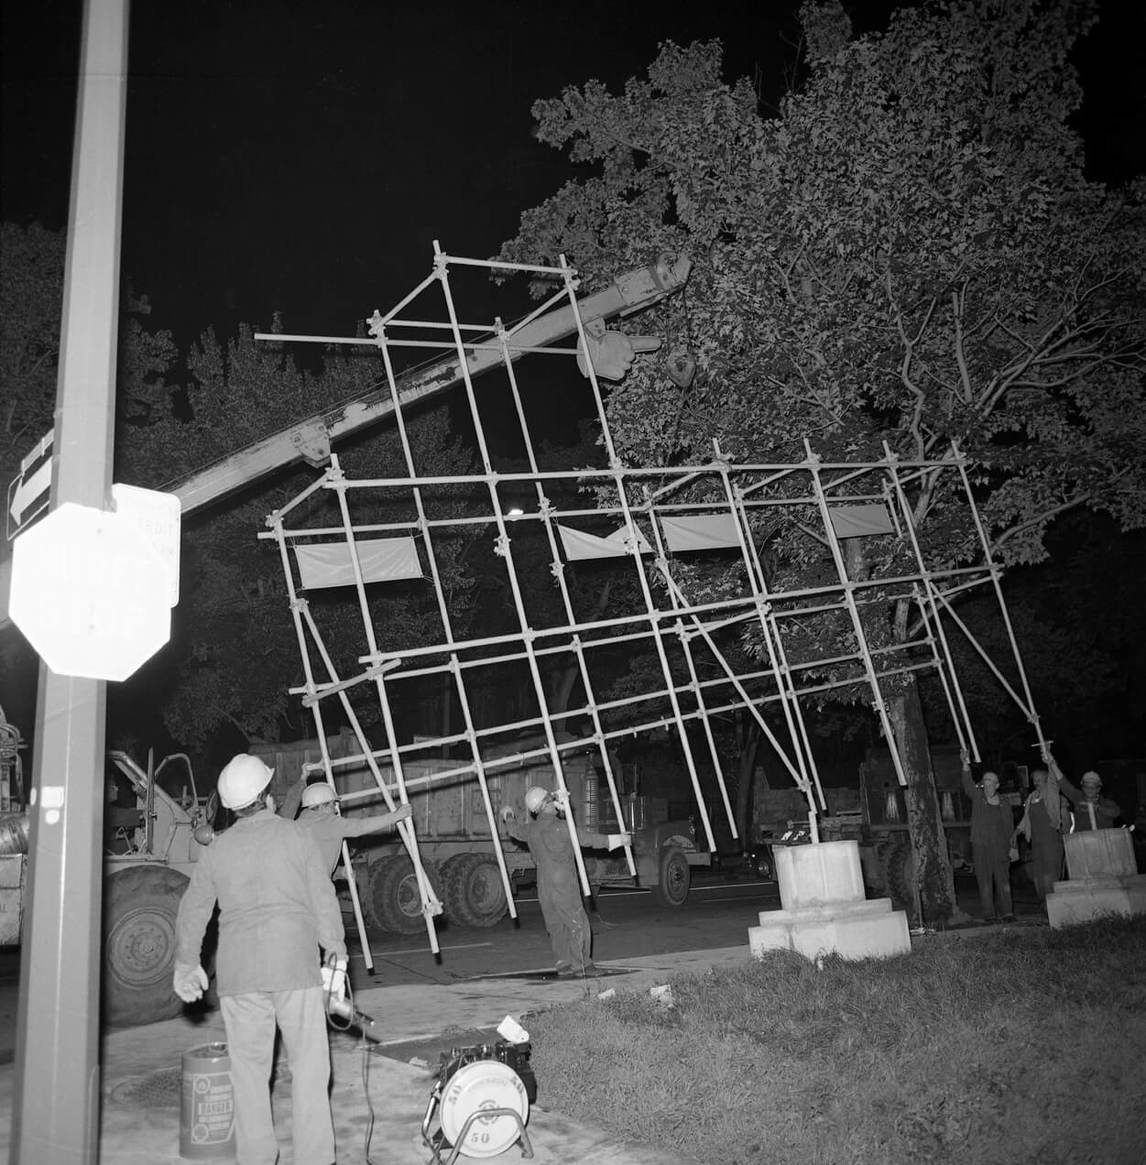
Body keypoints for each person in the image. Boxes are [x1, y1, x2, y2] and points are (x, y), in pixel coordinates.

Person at [173, 753, 346, 1165]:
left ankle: (257, 1157)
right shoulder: (297, 836)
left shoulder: (218, 848)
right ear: (267, 796)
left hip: (239, 976)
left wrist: (186, 962)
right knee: (309, 1070)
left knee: (248, 1075)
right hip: (295, 968)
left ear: (231, 807)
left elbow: (194, 907)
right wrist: (334, 952)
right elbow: (323, 899)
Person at [500, 785, 627, 977]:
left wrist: (508, 814)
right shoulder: (561, 827)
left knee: (556, 925)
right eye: (550, 800)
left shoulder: (531, 830)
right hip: (563, 881)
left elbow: (514, 830)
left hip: (543, 884)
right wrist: (618, 840)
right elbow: (588, 839)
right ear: (545, 804)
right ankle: (582, 965)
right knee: (577, 922)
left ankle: (563, 964)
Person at [296, 781, 413, 875]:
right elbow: (359, 827)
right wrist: (396, 816)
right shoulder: (328, 822)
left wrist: (339, 872)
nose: (335, 810)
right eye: (332, 805)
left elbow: (313, 861)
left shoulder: (300, 822)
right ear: (322, 806)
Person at [960, 759, 1016, 922]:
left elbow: (1009, 827)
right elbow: (968, 784)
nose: (987, 783)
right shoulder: (978, 798)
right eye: (985, 780)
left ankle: (1007, 912)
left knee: (1003, 880)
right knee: (984, 880)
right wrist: (965, 764)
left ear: (997, 785)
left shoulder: (1004, 803)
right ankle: (989, 914)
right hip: (980, 846)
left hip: (1000, 847)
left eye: (991, 780)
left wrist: (1012, 848)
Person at [1014, 767, 1066, 900]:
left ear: (1046, 780)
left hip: (1051, 840)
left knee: (1051, 874)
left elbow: (1054, 781)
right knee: (1038, 876)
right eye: (1034, 780)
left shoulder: (1051, 795)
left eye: (1039, 779)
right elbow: (1026, 820)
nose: (1036, 782)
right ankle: (1045, 905)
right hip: (1036, 843)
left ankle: (1056, 904)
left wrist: (1050, 761)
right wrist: (1016, 833)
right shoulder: (1031, 797)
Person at [1051, 762, 1121, 831]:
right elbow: (1064, 784)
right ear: (1082, 787)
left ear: (1098, 789)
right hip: (1082, 840)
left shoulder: (1107, 803)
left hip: (1103, 840)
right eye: (1086, 787)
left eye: (1093, 787)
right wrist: (1052, 763)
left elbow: (1116, 812)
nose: (1089, 790)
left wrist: (1098, 808)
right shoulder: (1078, 797)